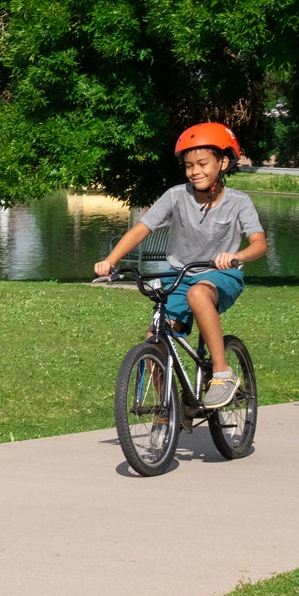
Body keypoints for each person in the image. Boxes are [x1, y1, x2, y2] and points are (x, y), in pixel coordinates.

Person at [92, 123, 268, 408]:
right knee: (155, 338)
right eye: (188, 166)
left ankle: (222, 374)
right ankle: (167, 409)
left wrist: (237, 257)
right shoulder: (176, 196)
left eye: (202, 163)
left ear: (223, 162)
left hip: (221, 276)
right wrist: (110, 260)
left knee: (198, 294)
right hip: (180, 276)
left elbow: (260, 244)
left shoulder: (239, 202)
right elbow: (141, 229)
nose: (194, 171)